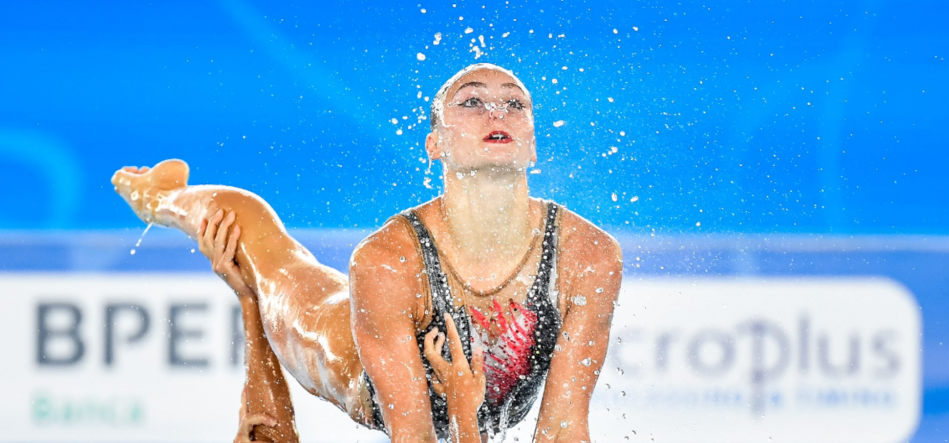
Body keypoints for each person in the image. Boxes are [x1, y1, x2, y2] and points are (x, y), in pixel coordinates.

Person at [111, 63, 622, 443]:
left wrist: (466, 414)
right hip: (350, 363)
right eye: (471, 102)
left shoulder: (588, 256)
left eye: (516, 103)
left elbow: (562, 431)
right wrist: (467, 417)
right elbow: (415, 437)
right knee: (252, 231)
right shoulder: (385, 260)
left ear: (532, 145)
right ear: (435, 145)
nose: (497, 111)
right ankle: (156, 197)